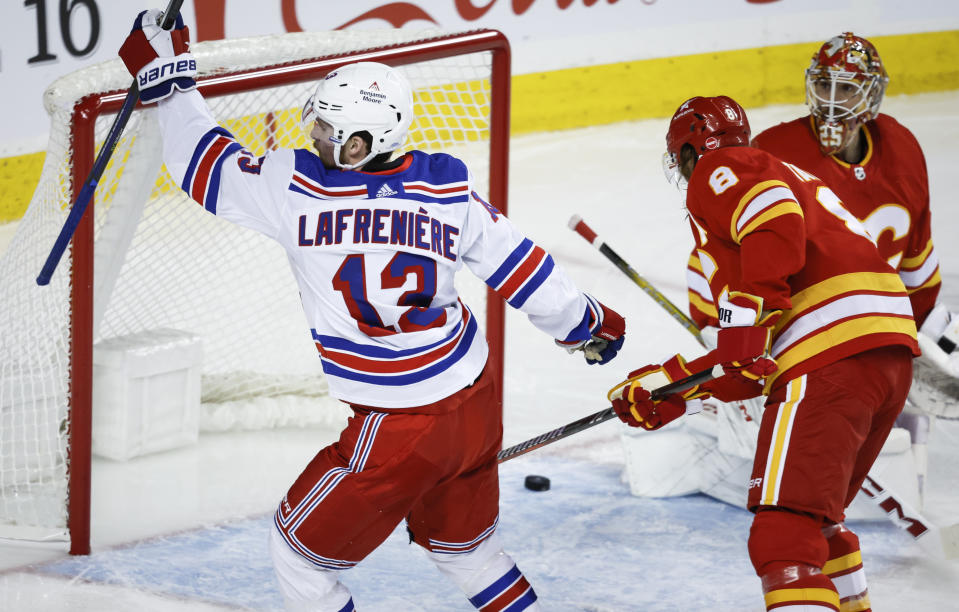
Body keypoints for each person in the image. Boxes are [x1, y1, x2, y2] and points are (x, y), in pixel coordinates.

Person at [118, 10, 627, 611]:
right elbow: (523, 267)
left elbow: (205, 166)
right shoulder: (447, 188)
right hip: (474, 399)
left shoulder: (295, 189)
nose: (316, 138)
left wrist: (168, 82)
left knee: (296, 558)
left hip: (396, 427)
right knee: (467, 552)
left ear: (360, 146)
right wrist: (586, 325)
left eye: (330, 131)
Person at [611, 95, 919, 612]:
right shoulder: (791, 177)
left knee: (783, 537)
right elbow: (747, 371)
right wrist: (672, 386)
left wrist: (743, 337)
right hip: (883, 356)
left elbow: (773, 222)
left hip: (830, 354)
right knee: (818, 525)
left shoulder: (723, 167)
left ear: (689, 152)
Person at [749, 31, 959, 501]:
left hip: (879, 329)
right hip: (807, 330)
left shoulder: (902, 147)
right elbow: (739, 259)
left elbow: (916, 259)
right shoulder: (773, 153)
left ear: (872, 93)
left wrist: (918, 333)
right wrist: (736, 332)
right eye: (824, 85)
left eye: (847, 87)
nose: (832, 100)